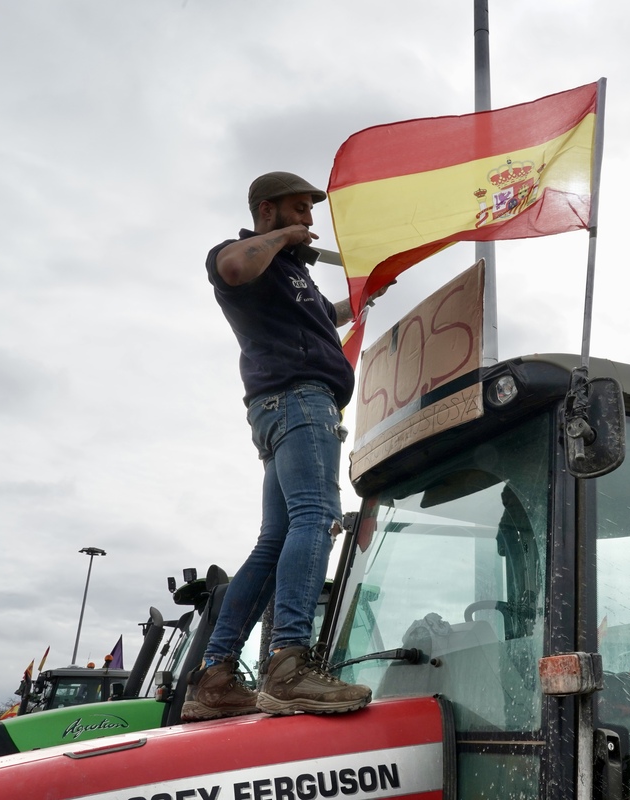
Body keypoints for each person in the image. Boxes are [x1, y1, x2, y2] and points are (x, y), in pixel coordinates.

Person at [182, 171, 383, 720]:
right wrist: (283, 239)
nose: (310, 221)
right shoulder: (241, 255)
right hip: (298, 400)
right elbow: (233, 267)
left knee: (275, 539)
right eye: (300, 210)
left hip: (283, 409)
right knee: (316, 516)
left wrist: (361, 299)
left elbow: (323, 320)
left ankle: (217, 674)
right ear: (266, 211)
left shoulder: (291, 279)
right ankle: (289, 666)